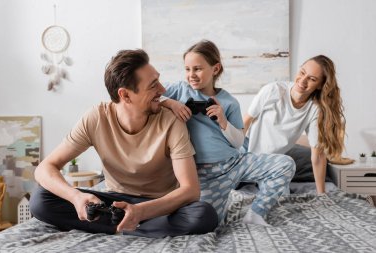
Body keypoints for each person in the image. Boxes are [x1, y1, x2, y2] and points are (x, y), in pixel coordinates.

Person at [30, 49, 218, 238]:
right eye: (153, 86)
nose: (162, 90)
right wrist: (76, 197)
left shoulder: (171, 121)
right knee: (41, 199)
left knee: (203, 215)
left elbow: (190, 190)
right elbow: (44, 169)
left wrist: (141, 211)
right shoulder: (96, 118)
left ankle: (121, 225)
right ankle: (136, 227)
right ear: (126, 95)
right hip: (113, 202)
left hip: (157, 206)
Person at [161, 40, 295, 225]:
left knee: (285, 164)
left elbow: (238, 142)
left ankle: (256, 213)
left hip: (234, 163)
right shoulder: (178, 90)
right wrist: (170, 103)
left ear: (215, 69)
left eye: (197, 69)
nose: (191, 75)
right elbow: (149, 93)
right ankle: (225, 203)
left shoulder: (229, 101)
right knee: (209, 223)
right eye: (187, 69)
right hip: (204, 175)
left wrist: (223, 122)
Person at [242, 55, 346, 194]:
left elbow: (318, 155)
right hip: (245, 151)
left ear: (320, 85)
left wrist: (322, 195)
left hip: (274, 165)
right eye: (302, 72)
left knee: (281, 201)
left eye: (312, 79)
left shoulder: (315, 109)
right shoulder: (273, 90)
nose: (303, 81)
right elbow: (245, 123)